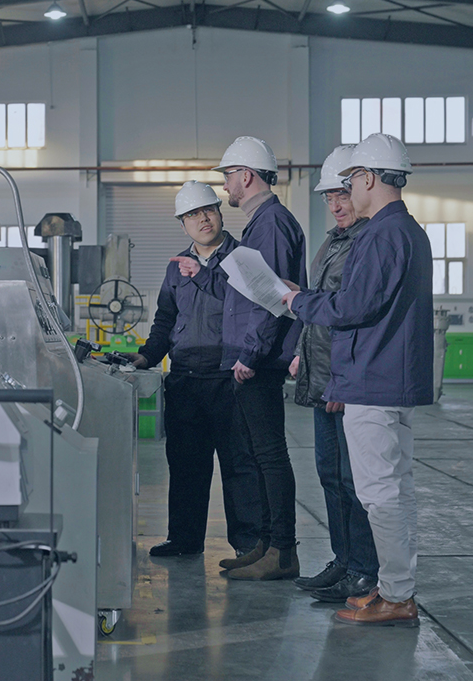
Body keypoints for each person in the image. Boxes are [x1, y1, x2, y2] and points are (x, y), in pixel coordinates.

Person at [283, 133, 433, 627]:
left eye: (351, 181)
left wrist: (297, 301)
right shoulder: (406, 231)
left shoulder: (381, 235)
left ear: (368, 178)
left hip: (373, 380)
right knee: (395, 490)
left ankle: (397, 596)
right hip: (390, 378)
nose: (346, 191)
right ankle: (395, 589)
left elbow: (353, 307)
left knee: (379, 493)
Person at [172, 137, 307, 580]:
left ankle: (281, 552)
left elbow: (272, 298)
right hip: (252, 360)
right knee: (260, 458)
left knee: (268, 458)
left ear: (246, 176)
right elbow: (245, 292)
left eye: (229, 176)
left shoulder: (270, 225)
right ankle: (265, 546)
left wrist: (250, 353)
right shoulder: (261, 224)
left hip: (258, 363)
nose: (226, 186)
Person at [125, 181, 263, 558]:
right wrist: (147, 356)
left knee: (239, 466)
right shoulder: (176, 268)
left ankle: (248, 546)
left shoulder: (243, 259)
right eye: (192, 215)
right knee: (186, 466)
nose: (202, 219)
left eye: (208, 210)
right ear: (182, 224)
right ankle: (184, 540)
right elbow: (165, 319)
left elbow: (252, 308)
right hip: (185, 379)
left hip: (229, 379)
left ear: (219, 213)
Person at [290, 145, 379, 603]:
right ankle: (343, 561)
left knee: (352, 479)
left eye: (342, 194)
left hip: (344, 380)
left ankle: (363, 570)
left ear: (361, 189)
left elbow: (355, 317)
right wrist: (301, 353)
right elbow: (318, 307)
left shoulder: (367, 243)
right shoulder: (333, 241)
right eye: (329, 197)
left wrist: (343, 378)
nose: (336, 204)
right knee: (329, 474)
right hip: (322, 375)